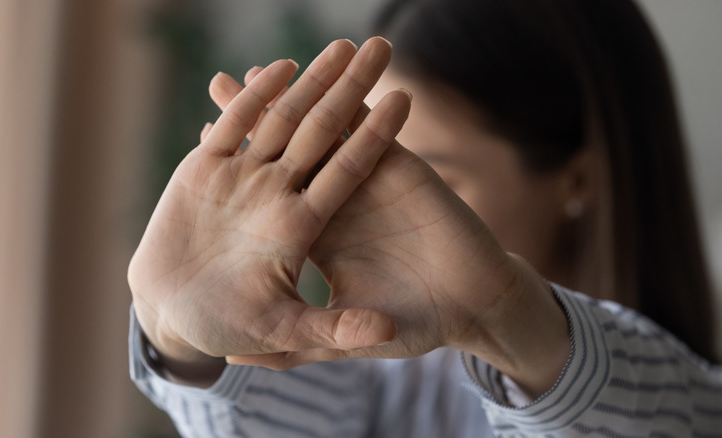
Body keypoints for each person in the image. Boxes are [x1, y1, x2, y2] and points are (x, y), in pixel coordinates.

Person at [127, 0, 722, 436]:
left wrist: (507, 315)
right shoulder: (401, 376)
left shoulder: (684, 393)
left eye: (437, 178)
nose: (370, 208)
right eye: (363, 169)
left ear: (579, 178)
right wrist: (181, 347)